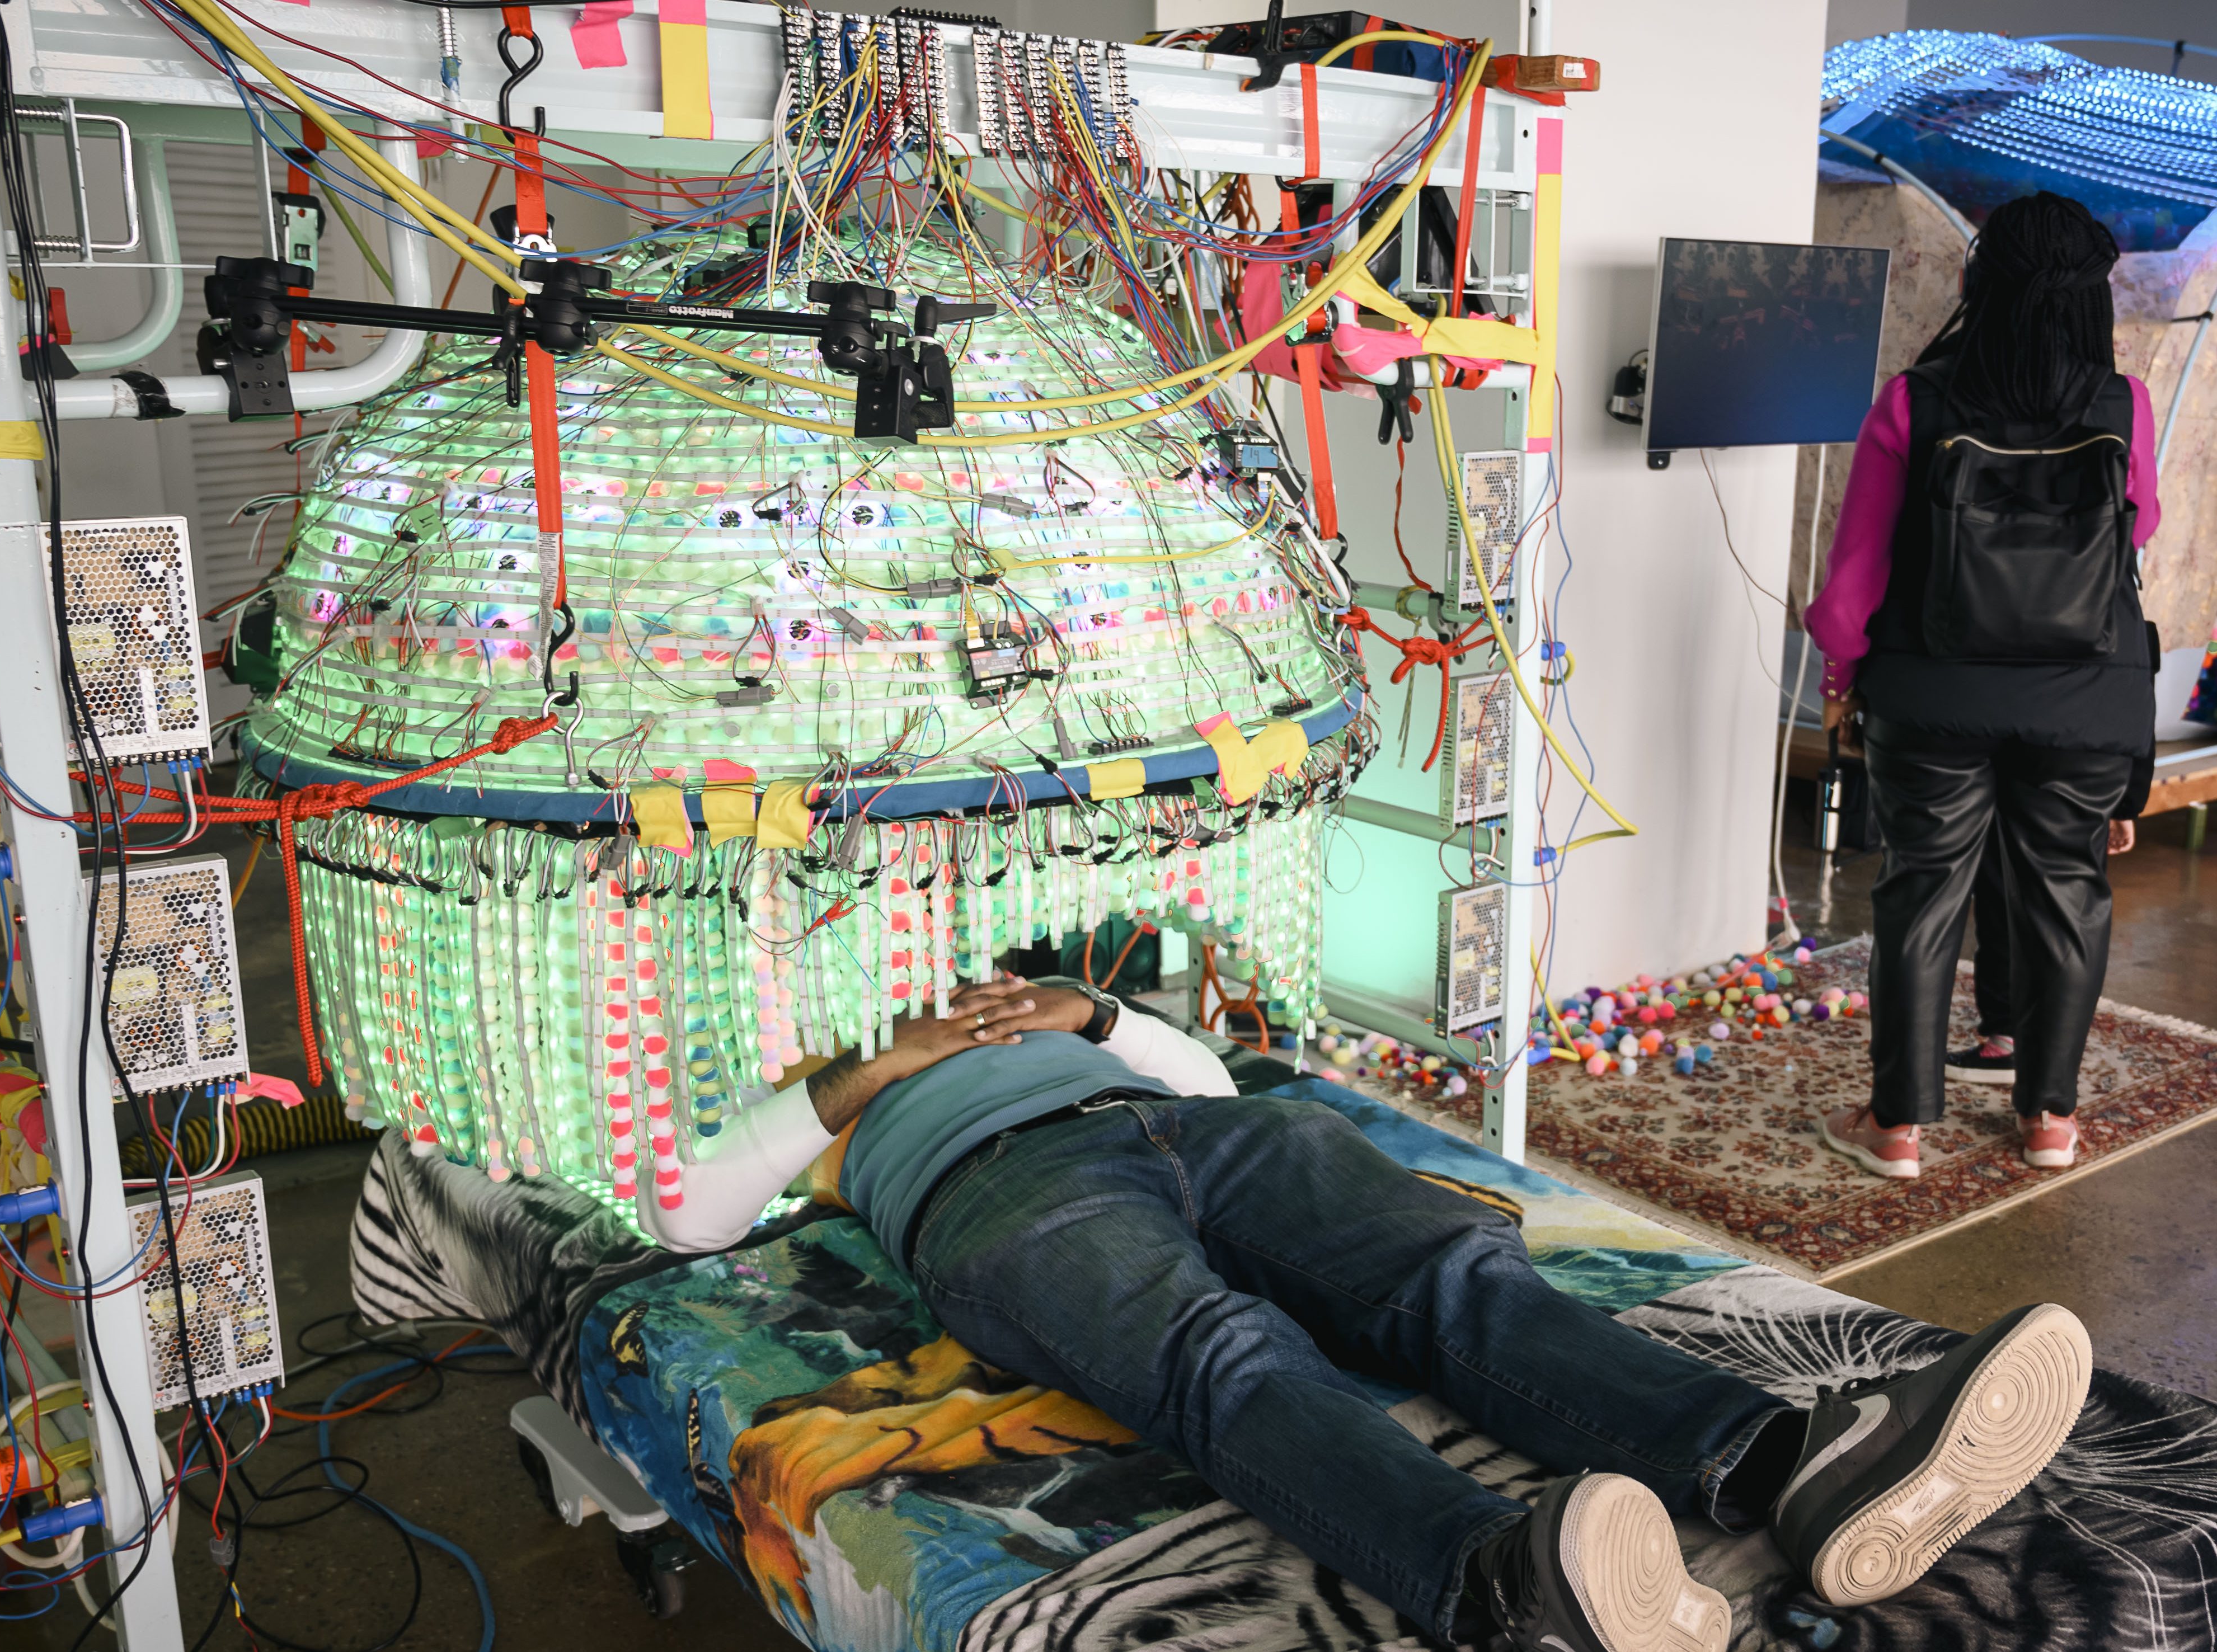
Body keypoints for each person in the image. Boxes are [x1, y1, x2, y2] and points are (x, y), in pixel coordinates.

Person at [636, 974, 2093, 1651]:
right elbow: (687, 1214)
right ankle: (1498, 1591)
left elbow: (1204, 1083)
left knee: (1455, 1276)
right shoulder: (832, 1105)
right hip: (1002, 1195)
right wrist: (873, 1070)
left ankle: (1790, 1471)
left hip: (1190, 1130)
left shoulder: (1065, 1020)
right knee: (1224, 1355)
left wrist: (1087, 1014)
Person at [1806, 191, 2159, 1180]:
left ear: (1974, 284)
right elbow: (2136, 532)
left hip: (1931, 695)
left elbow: (1849, 590)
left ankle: (1896, 1130)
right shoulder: (2119, 404)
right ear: (2090, 299)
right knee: (2067, 896)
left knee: (1918, 898)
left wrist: (1842, 676)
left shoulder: (1913, 401)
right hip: (2085, 699)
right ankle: (2047, 1119)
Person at [1944, 758, 2145, 1170]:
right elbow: (2142, 693)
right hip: (2086, 729)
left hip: (1991, 721)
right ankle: (2049, 1117)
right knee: (2069, 905)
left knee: (2003, 877)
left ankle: (2006, 1039)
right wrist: (2127, 799)